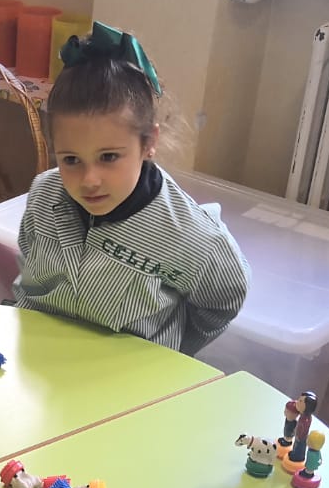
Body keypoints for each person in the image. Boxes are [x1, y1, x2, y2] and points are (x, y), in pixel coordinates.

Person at [14, 22, 248, 356]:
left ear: (148, 142)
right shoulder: (44, 195)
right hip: (45, 363)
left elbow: (223, 299)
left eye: (108, 157)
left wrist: (171, 355)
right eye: (71, 159)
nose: (89, 179)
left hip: (134, 386)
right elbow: (28, 266)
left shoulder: (194, 237)